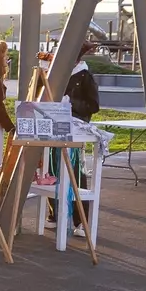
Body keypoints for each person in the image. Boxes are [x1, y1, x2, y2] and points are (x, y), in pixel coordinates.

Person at [45, 40, 100, 235]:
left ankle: (81, 220)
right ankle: (54, 213)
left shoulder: (85, 76)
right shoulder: (55, 72)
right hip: (53, 127)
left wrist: (71, 103)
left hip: (74, 129)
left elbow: (93, 105)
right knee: (51, 170)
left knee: (75, 172)